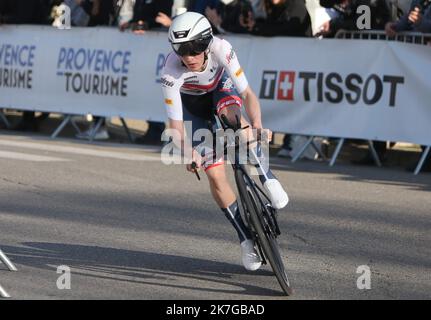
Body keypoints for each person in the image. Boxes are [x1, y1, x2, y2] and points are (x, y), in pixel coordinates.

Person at [161, 12, 289, 271]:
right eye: (181, 50)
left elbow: (248, 94)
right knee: (215, 175)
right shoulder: (170, 72)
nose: (189, 57)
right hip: (195, 109)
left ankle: (267, 177)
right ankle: (245, 238)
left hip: (222, 90)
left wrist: (257, 125)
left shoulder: (222, 48)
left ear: (207, 43)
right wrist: (190, 154)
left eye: (195, 49)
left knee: (232, 118)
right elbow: (175, 127)